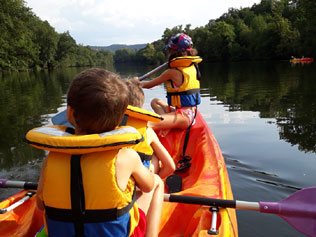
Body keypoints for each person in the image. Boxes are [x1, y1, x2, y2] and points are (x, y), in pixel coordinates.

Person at [25, 68, 163, 237]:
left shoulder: (52, 157)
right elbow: (147, 186)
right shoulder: (127, 156)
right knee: (157, 181)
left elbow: (40, 203)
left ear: (70, 113)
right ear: (120, 119)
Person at [138, 33, 202, 132]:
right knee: (155, 102)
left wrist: (137, 83)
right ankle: (166, 124)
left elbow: (149, 84)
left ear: (172, 52)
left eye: (169, 51)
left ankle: (166, 125)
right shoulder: (192, 66)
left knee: (146, 124)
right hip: (189, 112)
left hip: (184, 117)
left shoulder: (172, 72)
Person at [123, 79, 175, 178]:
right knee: (154, 154)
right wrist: (155, 180)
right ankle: (155, 183)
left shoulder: (109, 127)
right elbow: (170, 166)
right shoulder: (147, 130)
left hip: (121, 180)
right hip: (141, 184)